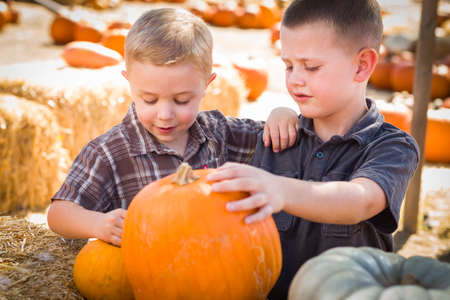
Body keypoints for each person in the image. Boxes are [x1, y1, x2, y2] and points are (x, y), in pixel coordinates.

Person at [207, 0, 419, 299]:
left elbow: (360, 201)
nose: (294, 79)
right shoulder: (277, 136)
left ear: (362, 65)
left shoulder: (392, 146)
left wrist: (279, 189)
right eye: (289, 66)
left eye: (311, 67)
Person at [47, 8, 299, 247]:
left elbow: (272, 135)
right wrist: (98, 223)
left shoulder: (218, 132)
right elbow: (59, 213)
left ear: (207, 85)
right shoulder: (109, 152)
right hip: (151, 274)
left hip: (219, 266)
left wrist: (282, 113)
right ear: (129, 82)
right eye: (149, 99)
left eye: (181, 100)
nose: (165, 115)